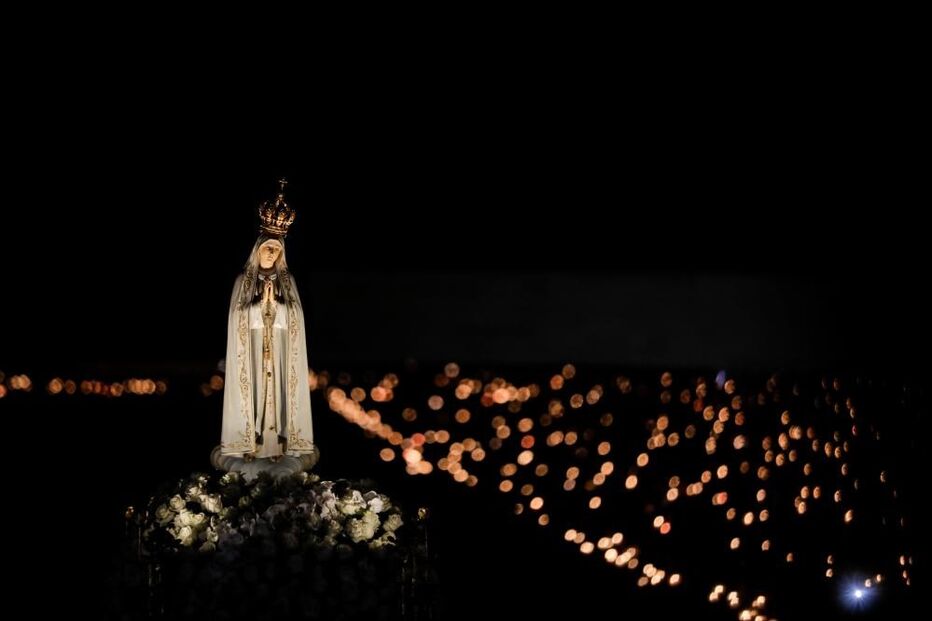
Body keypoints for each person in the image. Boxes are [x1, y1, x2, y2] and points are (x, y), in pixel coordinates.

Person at [220, 181, 314, 460]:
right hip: (252, 351)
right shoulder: (244, 281)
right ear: (258, 249)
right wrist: (259, 307)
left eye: (276, 249)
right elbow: (237, 317)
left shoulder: (288, 281)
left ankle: (278, 444)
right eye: (267, 248)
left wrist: (278, 307)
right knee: (257, 393)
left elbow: (296, 317)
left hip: (280, 352)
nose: (271, 253)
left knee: (278, 394)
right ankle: (251, 442)